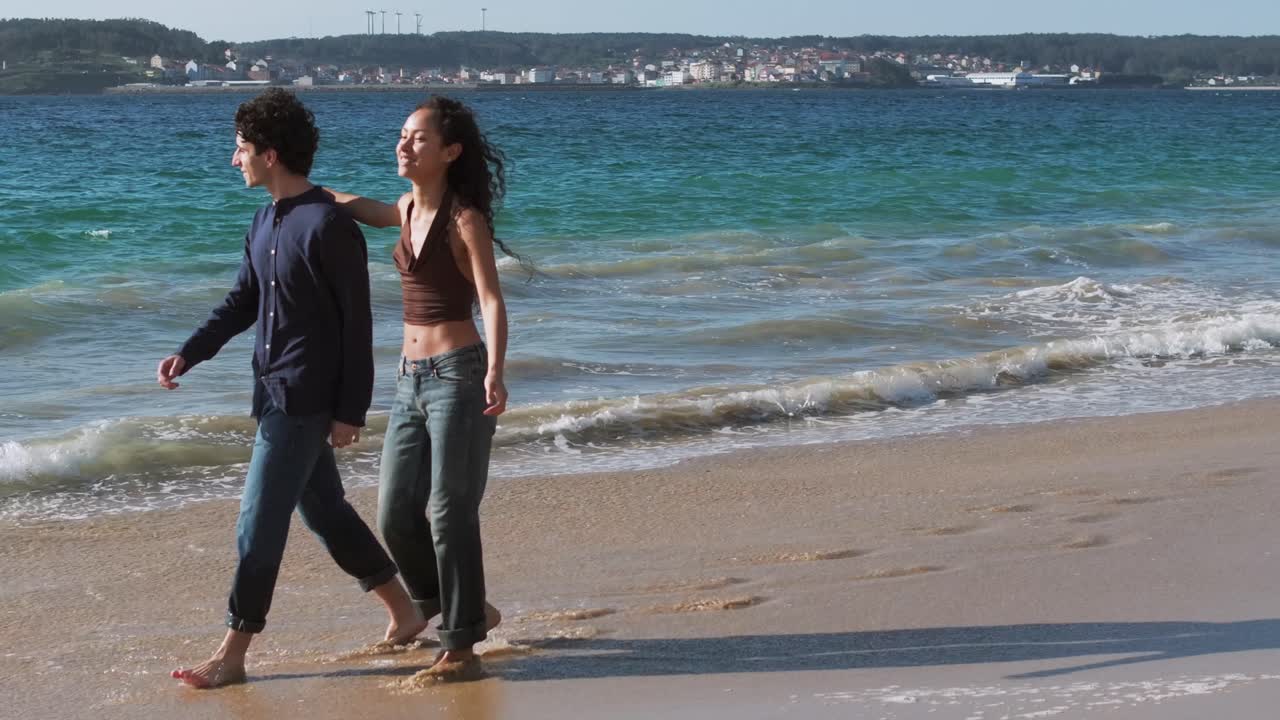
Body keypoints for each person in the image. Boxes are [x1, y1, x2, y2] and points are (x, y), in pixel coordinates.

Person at [156, 88, 425, 689]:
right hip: (271, 392)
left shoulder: (329, 226)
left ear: (270, 154)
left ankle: (233, 652)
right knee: (325, 510)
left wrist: (350, 410)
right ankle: (405, 612)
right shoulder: (263, 220)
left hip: (306, 401)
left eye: (241, 149)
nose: (235, 160)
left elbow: (359, 327)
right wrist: (190, 352)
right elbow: (243, 301)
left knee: (257, 522)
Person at [325, 95, 512, 679]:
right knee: (394, 515)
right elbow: (365, 208)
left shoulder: (465, 219)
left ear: (450, 152)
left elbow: (490, 297)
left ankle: (461, 649)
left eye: (419, 138)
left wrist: (496, 369)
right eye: (403, 135)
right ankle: (465, 610)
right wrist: (304, 190)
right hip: (408, 380)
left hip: (458, 373)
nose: (404, 144)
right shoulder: (406, 208)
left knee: (449, 511)